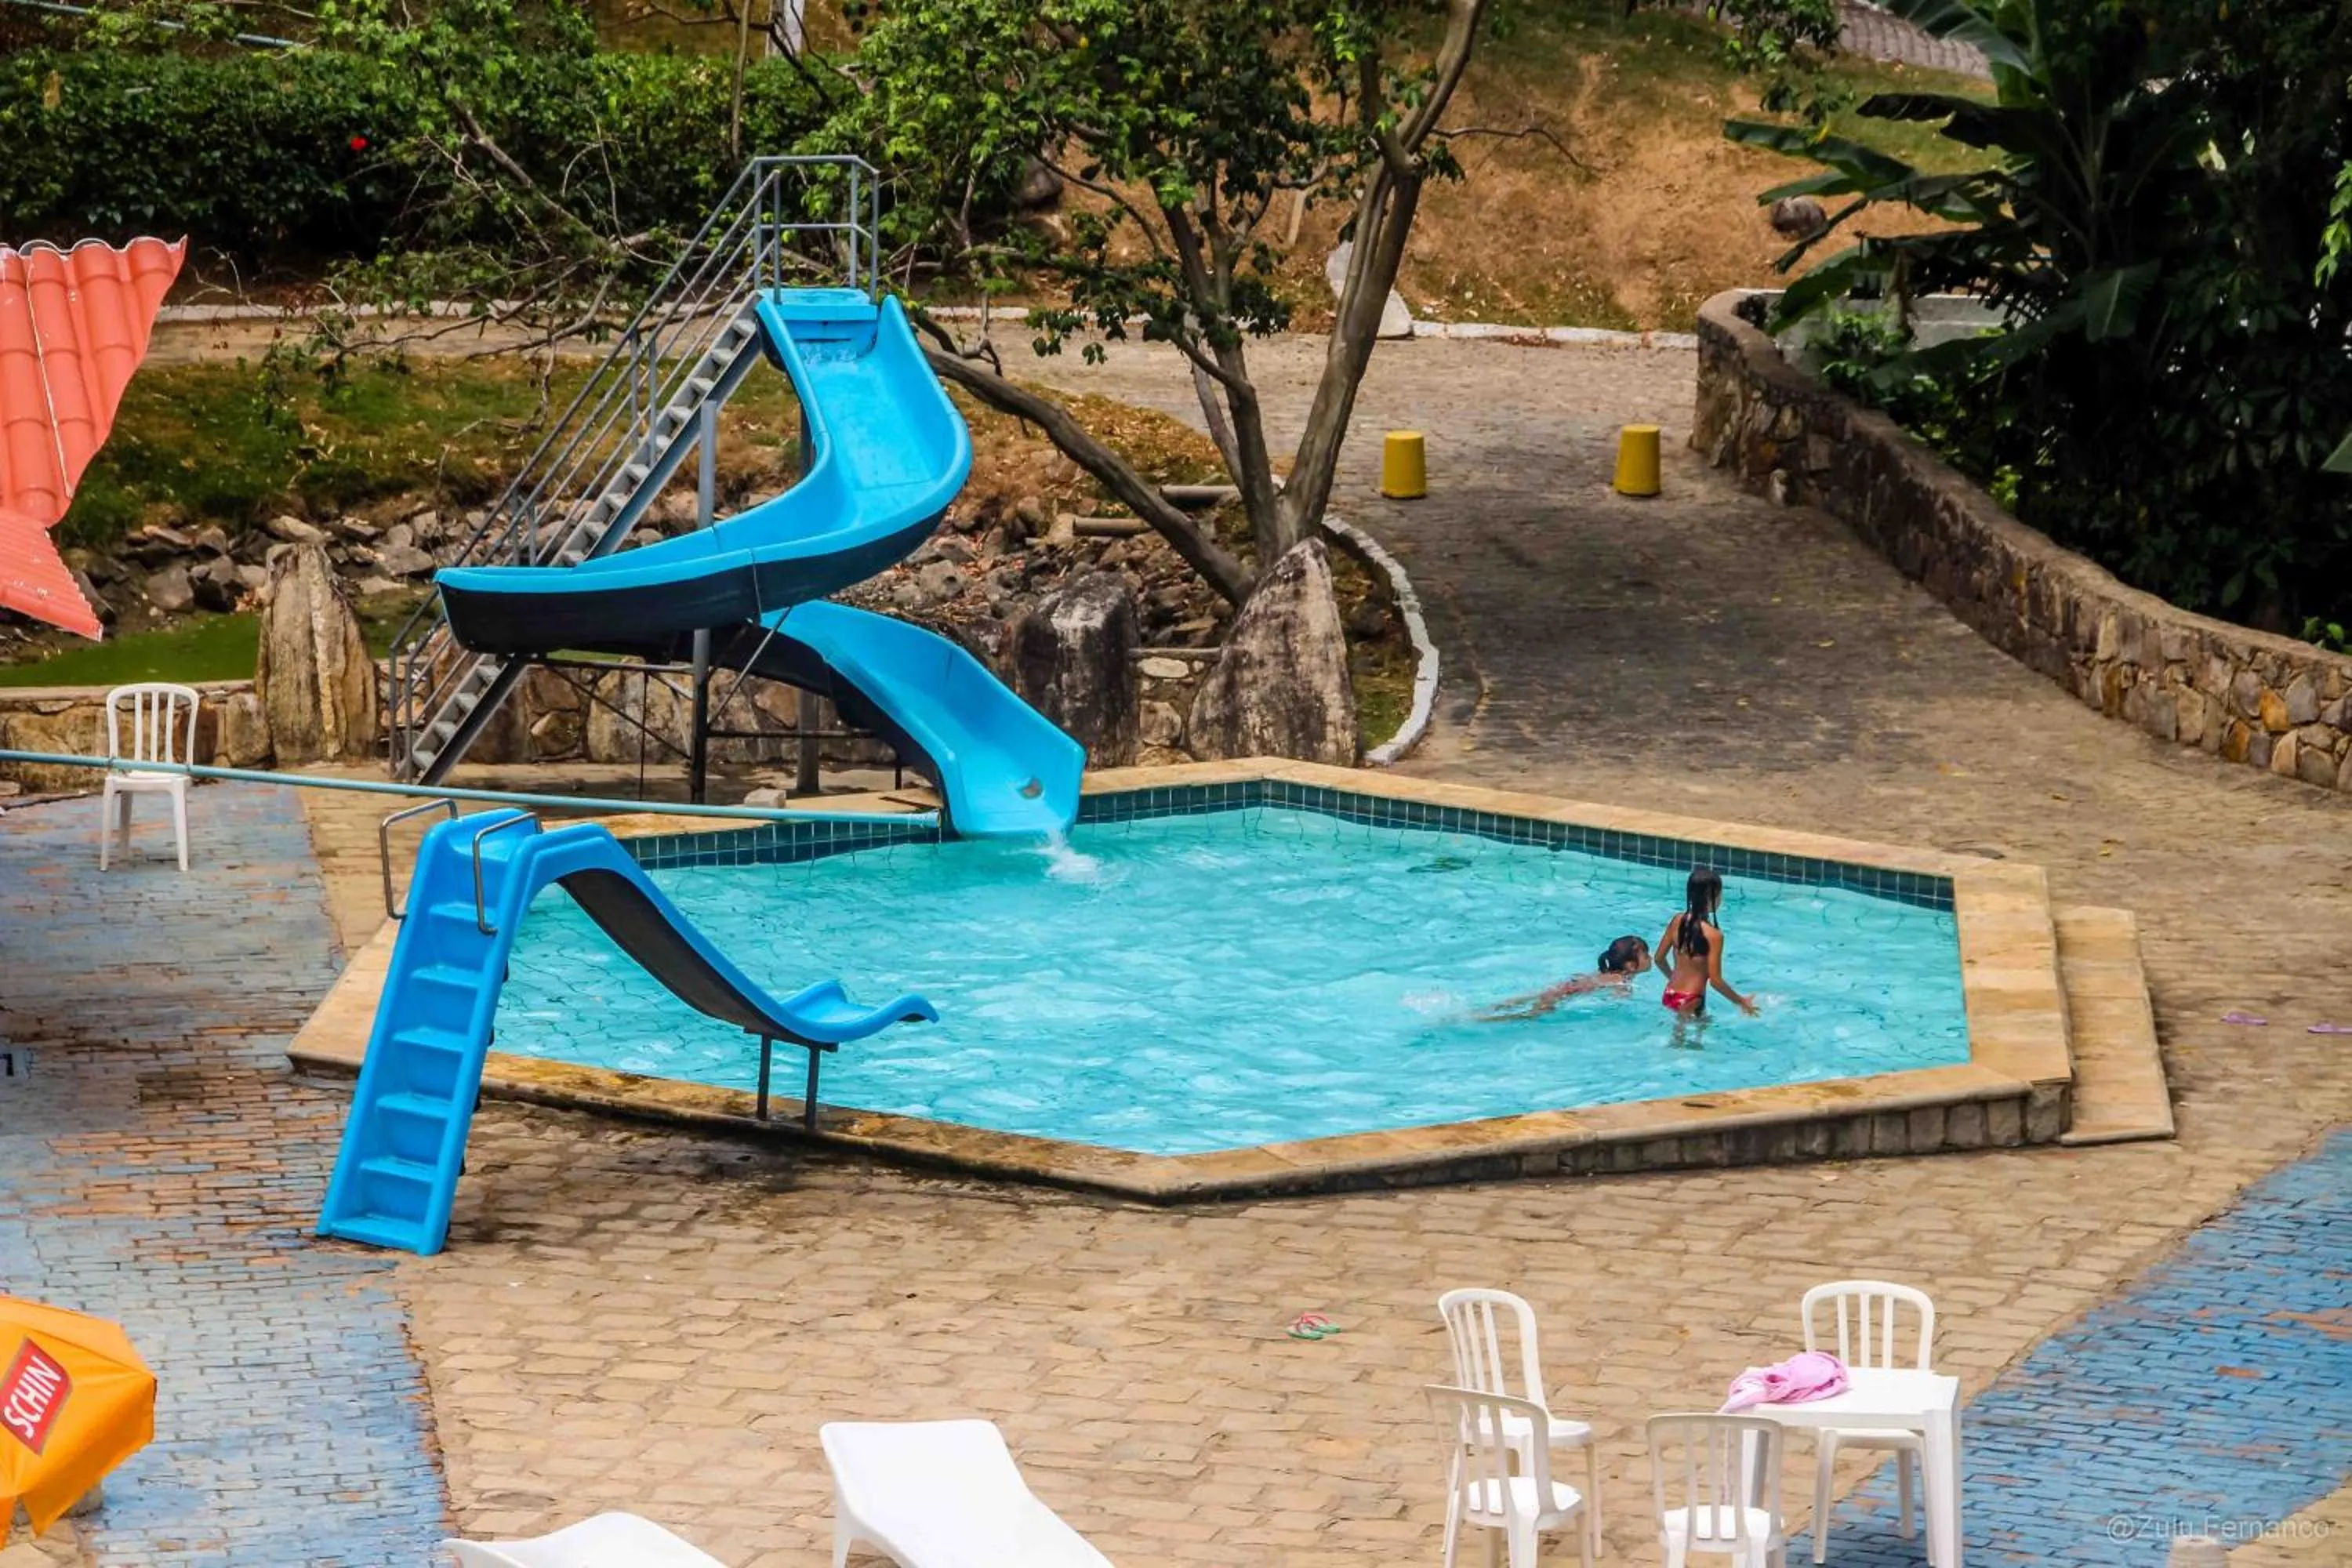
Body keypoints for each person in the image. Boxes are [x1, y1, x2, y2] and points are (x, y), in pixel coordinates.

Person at [1657, 868, 1759, 1021]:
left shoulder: (1677, 921)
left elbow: (1659, 959)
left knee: (1679, 1039)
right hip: (1692, 1000)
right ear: (1711, 897)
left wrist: (1673, 978)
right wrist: (1742, 1002)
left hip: (1670, 994)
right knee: (1694, 1042)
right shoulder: (1714, 935)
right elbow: (1716, 982)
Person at [1479, 935, 1653, 1022]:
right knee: (1526, 1016)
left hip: (1565, 987)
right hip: (1566, 993)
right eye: (1646, 956)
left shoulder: (1607, 973)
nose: (1651, 958)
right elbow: (1619, 1007)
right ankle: (1484, 1020)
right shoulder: (1621, 981)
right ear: (1630, 965)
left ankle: (1484, 1011)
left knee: (1521, 1001)